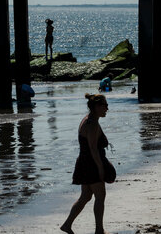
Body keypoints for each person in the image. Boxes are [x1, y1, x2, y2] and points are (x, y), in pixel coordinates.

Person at [60, 93, 116, 234]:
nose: (107, 109)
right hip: (91, 164)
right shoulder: (92, 123)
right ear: (97, 106)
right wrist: (100, 168)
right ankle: (99, 230)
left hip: (84, 162)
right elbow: (92, 148)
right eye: (105, 106)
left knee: (85, 196)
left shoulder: (88, 120)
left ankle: (67, 225)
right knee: (100, 196)